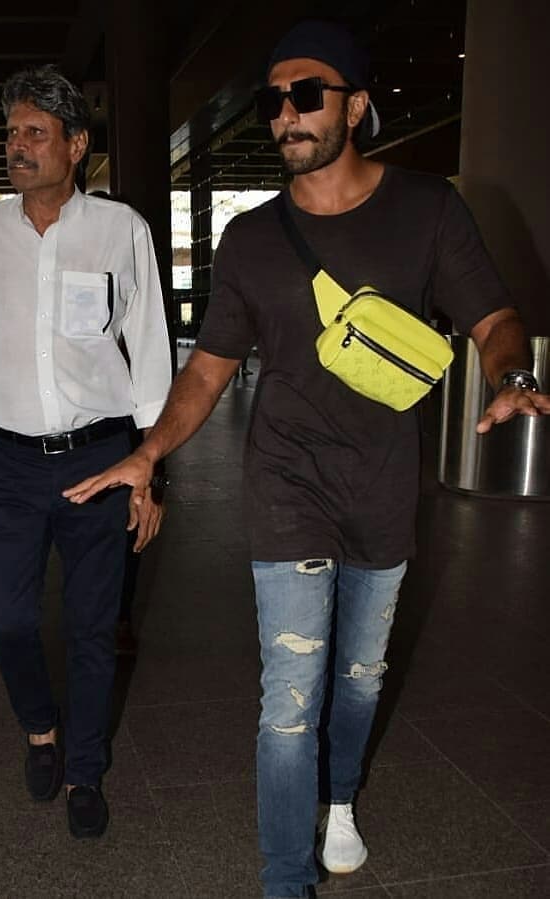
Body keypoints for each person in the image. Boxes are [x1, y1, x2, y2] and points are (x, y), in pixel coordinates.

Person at [63, 20, 550, 898]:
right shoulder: (250, 239)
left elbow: (491, 316)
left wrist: (511, 372)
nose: (285, 113)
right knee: (290, 697)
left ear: (356, 107)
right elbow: (207, 370)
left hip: (382, 489)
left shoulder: (427, 210)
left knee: (360, 680)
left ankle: (341, 797)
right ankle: (286, 879)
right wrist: (150, 453)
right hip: (285, 485)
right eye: (273, 99)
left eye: (306, 94)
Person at [0, 65, 171, 839]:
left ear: (77, 144)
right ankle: (40, 726)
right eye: (11, 134)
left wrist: (148, 473)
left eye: (35, 133)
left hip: (101, 459)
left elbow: (153, 361)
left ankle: (86, 770)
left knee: (95, 628)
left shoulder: (120, 230)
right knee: (4, 617)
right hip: (11, 465)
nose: (18, 147)